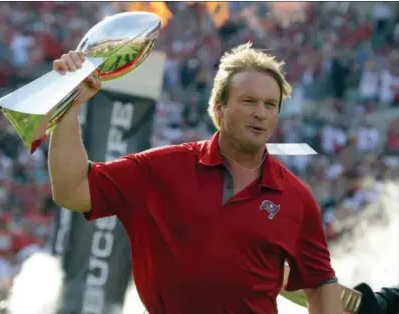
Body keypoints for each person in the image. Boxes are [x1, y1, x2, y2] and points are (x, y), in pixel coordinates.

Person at [49, 42, 343, 314]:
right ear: (219, 108)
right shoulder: (160, 169)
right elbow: (72, 190)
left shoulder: (296, 197)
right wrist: (69, 106)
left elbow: (319, 282)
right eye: (249, 101)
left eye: (270, 105)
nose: (261, 114)